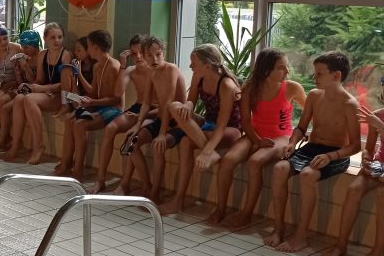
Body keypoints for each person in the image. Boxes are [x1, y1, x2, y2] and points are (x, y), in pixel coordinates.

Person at [265, 51, 360, 253]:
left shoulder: (349, 104)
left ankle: (301, 235)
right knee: (280, 168)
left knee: (308, 175)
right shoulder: (315, 96)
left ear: (336, 76)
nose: (314, 77)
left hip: (336, 153)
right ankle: (279, 228)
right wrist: (292, 143)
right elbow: (301, 127)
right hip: (312, 148)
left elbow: (355, 146)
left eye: (319, 74)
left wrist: (330, 156)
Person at [218, 50, 306, 227]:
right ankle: (220, 209)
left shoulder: (292, 88)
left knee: (255, 161)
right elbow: (245, 121)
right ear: (266, 70)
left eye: (286, 67)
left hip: (281, 136)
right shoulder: (250, 89)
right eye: (281, 68)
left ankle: (247, 213)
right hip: (255, 133)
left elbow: (311, 111)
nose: (287, 71)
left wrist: (305, 132)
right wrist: (257, 140)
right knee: (228, 159)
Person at [158, 44, 242, 215]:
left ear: (208, 66)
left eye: (193, 63)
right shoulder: (199, 76)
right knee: (174, 106)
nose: (190, 66)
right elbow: (191, 100)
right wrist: (188, 106)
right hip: (208, 123)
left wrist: (206, 151)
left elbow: (222, 125)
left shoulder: (226, 85)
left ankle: (178, 200)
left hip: (229, 129)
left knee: (185, 142)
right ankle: (178, 201)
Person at [114, 36, 185, 198]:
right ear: (145, 56)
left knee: (157, 147)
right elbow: (146, 103)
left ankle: (154, 193)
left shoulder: (171, 69)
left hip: (178, 121)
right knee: (132, 142)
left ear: (163, 54)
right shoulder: (153, 73)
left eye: (158, 54)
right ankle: (147, 186)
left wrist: (162, 133)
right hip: (162, 119)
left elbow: (168, 103)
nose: (154, 59)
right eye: (150, 56)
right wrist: (137, 125)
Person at [322, 102, 384, 256]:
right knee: (353, 189)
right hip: (380, 165)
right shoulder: (378, 115)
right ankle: (341, 244)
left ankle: (378, 252)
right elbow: (369, 149)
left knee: (382, 195)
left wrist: (380, 126)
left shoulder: (377, 120)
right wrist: (366, 159)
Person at [54, 30, 123, 181]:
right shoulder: (98, 66)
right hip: (98, 105)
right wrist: (78, 77)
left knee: (79, 125)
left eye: (89, 46)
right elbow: (93, 92)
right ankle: (66, 163)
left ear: (96, 48)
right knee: (70, 121)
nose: (88, 48)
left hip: (113, 110)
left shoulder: (113, 66)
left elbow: (115, 99)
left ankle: (78, 168)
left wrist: (92, 102)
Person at [3, 23, 72, 164]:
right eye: (53, 37)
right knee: (19, 98)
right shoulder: (42, 55)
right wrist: (31, 83)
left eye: (60, 37)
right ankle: (16, 143)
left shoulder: (66, 55)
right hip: (46, 93)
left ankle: (38, 146)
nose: (57, 40)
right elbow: (39, 80)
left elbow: (65, 85)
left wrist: (42, 89)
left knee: (29, 99)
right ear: (45, 39)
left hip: (61, 96)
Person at [92, 34, 152, 191]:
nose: (138, 57)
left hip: (153, 111)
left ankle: (125, 183)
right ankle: (100, 180)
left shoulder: (156, 71)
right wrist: (123, 65)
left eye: (141, 53)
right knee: (110, 128)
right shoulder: (131, 70)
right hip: (138, 107)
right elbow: (118, 92)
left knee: (131, 138)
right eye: (134, 54)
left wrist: (143, 116)